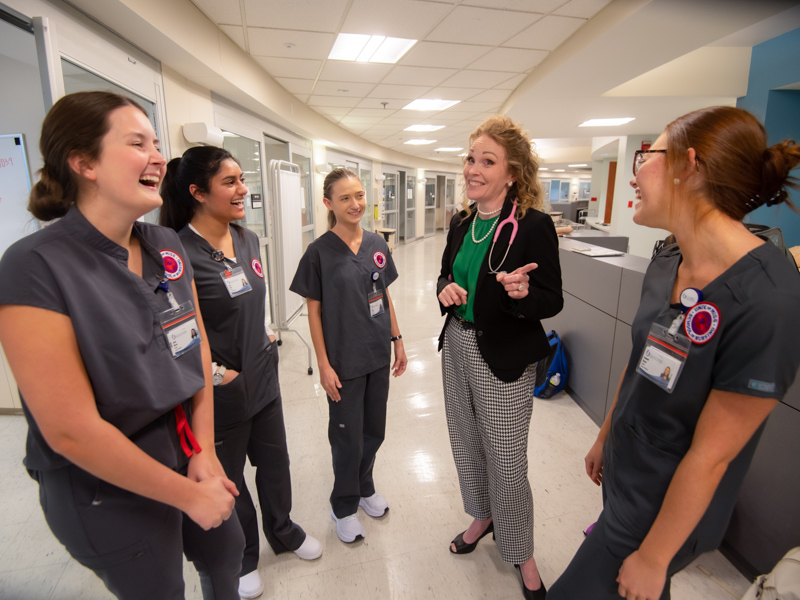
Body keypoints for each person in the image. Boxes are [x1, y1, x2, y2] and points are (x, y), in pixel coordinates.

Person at [548, 106, 800, 600]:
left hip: (667, 506)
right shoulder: (669, 259)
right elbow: (644, 357)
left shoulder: (769, 298)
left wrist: (657, 557)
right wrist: (607, 433)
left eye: (647, 155)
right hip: (628, 468)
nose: (636, 171)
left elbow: (713, 456)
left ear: (690, 165)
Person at [0, 91, 244, 600]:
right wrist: (185, 496)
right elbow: (69, 430)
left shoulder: (165, 246)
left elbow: (194, 346)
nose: (159, 156)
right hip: (104, 484)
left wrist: (203, 452)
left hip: (185, 448)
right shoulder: (34, 266)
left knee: (226, 556)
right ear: (84, 162)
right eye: (138, 143)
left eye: (157, 143)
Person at [160, 146, 322, 599]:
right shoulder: (177, 254)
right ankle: (246, 556)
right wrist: (214, 374)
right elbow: (170, 329)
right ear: (197, 192)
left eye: (240, 179)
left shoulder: (247, 238)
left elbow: (251, 299)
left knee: (275, 468)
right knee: (231, 482)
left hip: (264, 379)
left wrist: (268, 333)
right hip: (220, 394)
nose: (242, 190)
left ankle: (284, 532)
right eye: (229, 182)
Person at [436, 114, 563, 600]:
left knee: (506, 459)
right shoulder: (462, 222)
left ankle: (522, 551)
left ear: (512, 174)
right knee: (466, 442)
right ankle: (482, 515)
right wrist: (444, 288)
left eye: (488, 161)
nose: (474, 168)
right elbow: (446, 275)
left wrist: (521, 292)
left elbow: (550, 299)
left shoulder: (533, 226)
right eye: (471, 158)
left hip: (504, 354)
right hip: (458, 346)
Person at [290, 168, 407, 544]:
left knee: (374, 430)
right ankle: (343, 505)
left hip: (376, 353)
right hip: (343, 361)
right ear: (329, 203)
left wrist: (398, 339)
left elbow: (384, 294)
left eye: (359, 195)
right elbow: (313, 310)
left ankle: (365, 487)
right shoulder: (318, 253)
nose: (355, 204)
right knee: (346, 437)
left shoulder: (376, 243)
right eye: (345, 198)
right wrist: (323, 364)